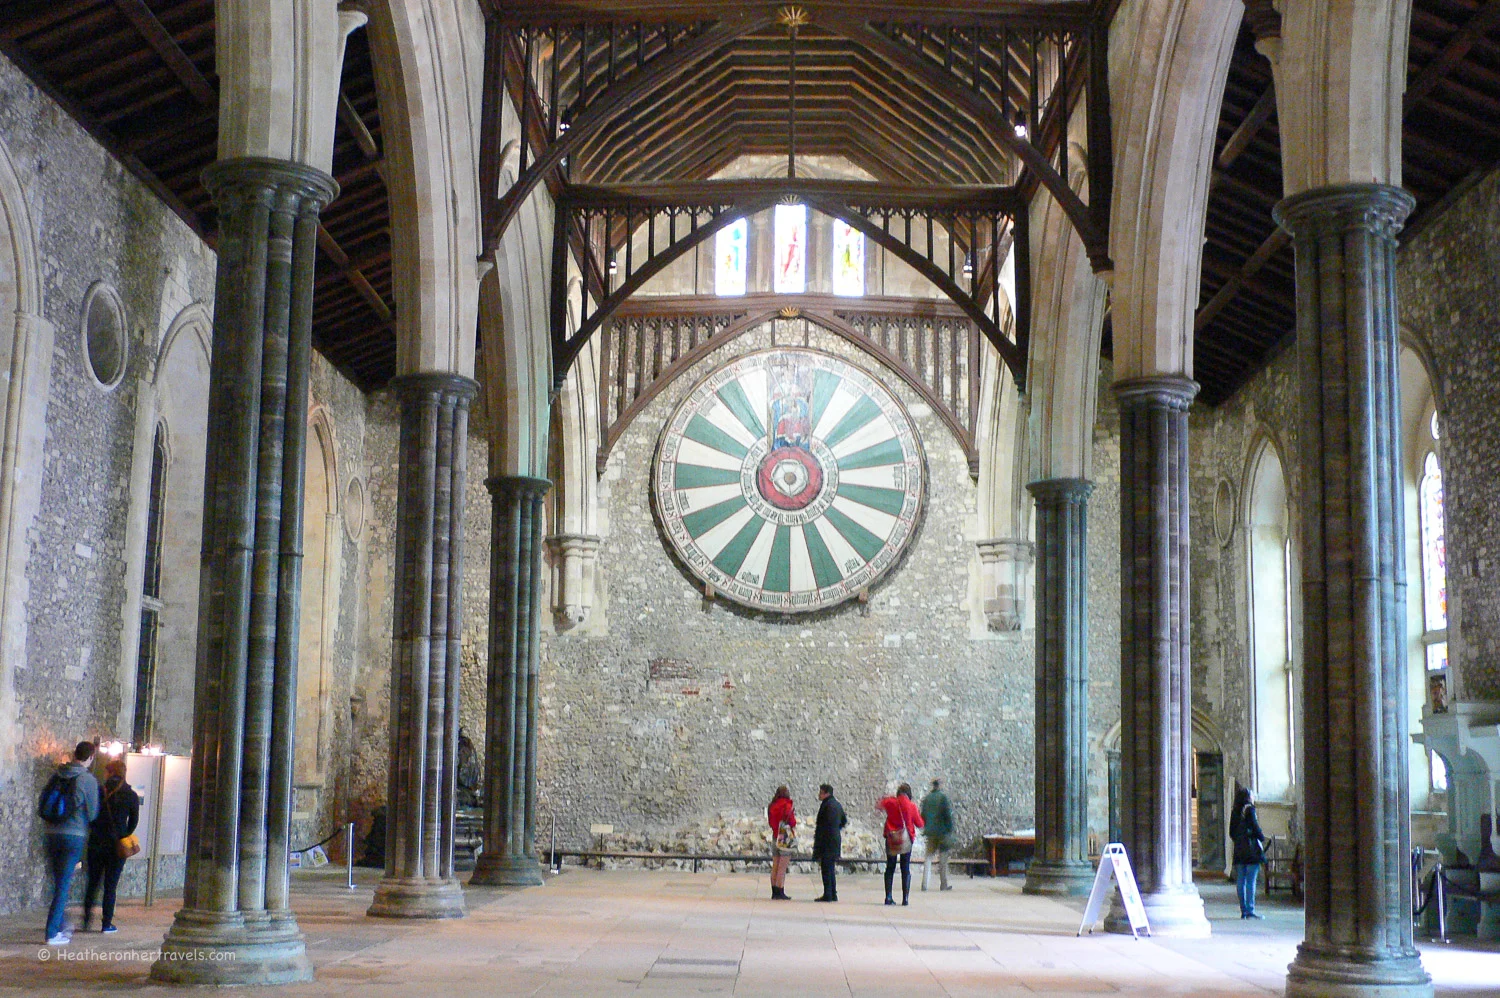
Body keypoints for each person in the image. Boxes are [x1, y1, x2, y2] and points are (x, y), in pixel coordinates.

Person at [40, 741, 100, 945]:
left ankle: (62, 924)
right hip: (73, 836)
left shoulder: (58, 774)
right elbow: (92, 814)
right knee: (63, 884)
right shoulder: (88, 780)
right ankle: (52, 933)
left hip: (51, 833)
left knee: (58, 882)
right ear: (90, 757)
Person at [82, 758, 139, 933]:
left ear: (110, 772)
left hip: (97, 842)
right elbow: (134, 821)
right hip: (117, 845)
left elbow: (90, 814)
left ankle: (86, 920)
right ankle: (106, 923)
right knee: (111, 885)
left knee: (93, 883)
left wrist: (95, 829)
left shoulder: (100, 791)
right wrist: (123, 834)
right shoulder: (130, 794)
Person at [878, 783, 923, 906]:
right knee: (905, 868)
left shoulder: (891, 802)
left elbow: (879, 804)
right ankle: (905, 899)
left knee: (890, 867)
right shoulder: (911, 806)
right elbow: (920, 824)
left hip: (891, 839)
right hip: (905, 840)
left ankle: (888, 897)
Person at [1229, 784, 1267, 919]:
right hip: (1251, 851)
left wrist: (1240, 841)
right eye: (1252, 795)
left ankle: (1243, 910)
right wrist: (1261, 837)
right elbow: (1255, 827)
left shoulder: (1235, 811)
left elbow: (1232, 832)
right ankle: (1250, 909)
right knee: (1251, 881)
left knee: (1241, 880)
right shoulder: (1250, 809)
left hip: (1239, 851)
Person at [812, 783, 847, 902]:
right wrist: (836, 829)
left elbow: (824, 824)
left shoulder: (826, 805)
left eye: (821, 792)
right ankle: (833, 893)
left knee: (826, 868)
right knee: (830, 868)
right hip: (835, 839)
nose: (819, 795)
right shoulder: (837, 804)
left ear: (826, 793)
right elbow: (844, 821)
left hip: (826, 841)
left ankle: (828, 894)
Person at [919, 779, 955, 891]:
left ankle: (925, 884)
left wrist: (927, 827)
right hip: (942, 832)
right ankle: (943, 884)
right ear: (939, 786)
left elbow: (922, 815)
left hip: (930, 832)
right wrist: (950, 829)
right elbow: (947, 815)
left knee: (928, 857)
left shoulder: (927, 799)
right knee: (943, 859)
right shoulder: (943, 798)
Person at [767, 785, 796, 900]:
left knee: (775, 865)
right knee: (782, 867)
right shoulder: (787, 805)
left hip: (775, 836)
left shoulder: (772, 805)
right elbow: (792, 822)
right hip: (784, 837)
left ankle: (774, 891)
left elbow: (770, 822)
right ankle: (780, 890)